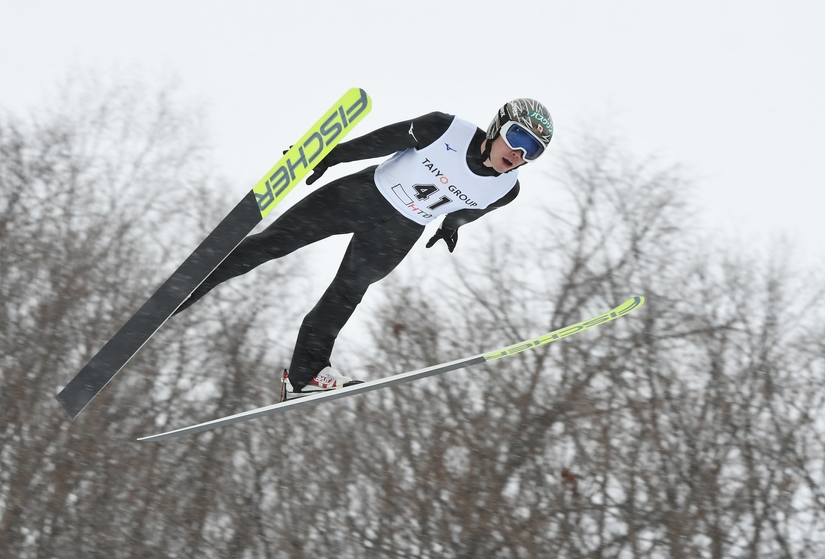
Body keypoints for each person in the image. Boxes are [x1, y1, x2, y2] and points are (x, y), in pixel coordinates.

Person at [173, 98, 554, 397]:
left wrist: (450, 226)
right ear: (498, 125)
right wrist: (329, 155)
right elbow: (380, 142)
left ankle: (306, 374)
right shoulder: (444, 129)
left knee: (347, 293)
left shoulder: (508, 189)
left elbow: (471, 209)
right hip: (362, 196)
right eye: (518, 138)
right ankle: (187, 289)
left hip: (401, 232)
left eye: (533, 151)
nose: (520, 154)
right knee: (275, 243)